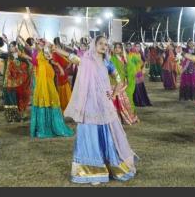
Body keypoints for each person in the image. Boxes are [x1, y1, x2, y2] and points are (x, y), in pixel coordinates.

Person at [54, 36, 138, 185]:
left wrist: (113, 93)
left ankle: (110, 166)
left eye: (106, 44)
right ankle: (93, 170)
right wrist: (58, 50)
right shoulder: (87, 60)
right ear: (94, 44)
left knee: (108, 134)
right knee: (90, 135)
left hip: (104, 105)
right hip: (89, 104)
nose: (104, 46)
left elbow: (119, 80)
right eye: (101, 44)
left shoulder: (107, 62)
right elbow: (73, 58)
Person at [30, 39, 74, 139]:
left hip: (47, 78)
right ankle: (42, 126)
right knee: (42, 99)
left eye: (42, 42)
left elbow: (51, 58)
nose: (39, 44)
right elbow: (37, 60)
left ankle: (50, 126)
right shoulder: (38, 52)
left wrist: (49, 50)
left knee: (50, 99)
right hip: (41, 79)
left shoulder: (46, 51)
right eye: (39, 43)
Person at [0, 41, 32, 122]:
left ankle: (22, 114)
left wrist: (19, 71)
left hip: (21, 82)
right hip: (11, 83)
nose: (10, 48)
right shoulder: (9, 56)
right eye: (9, 46)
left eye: (12, 46)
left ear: (16, 47)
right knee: (13, 99)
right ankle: (14, 116)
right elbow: (1, 53)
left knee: (21, 98)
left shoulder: (20, 56)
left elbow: (27, 64)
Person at [110, 42, 139, 125]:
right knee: (118, 101)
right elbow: (111, 71)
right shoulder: (112, 59)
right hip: (116, 83)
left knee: (128, 99)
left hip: (125, 82)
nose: (117, 49)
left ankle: (129, 117)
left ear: (121, 49)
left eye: (119, 47)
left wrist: (127, 76)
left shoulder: (125, 58)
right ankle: (119, 118)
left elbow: (131, 68)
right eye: (115, 47)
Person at [52, 37, 72, 113]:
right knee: (61, 90)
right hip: (59, 74)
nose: (57, 47)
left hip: (64, 73)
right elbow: (54, 63)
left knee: (66, 89)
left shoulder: (62, 53)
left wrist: (68, 65)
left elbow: (68, 61)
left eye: (58, 46)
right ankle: (63, 107)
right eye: (56, 46)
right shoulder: (53, 54)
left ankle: (67, 106)